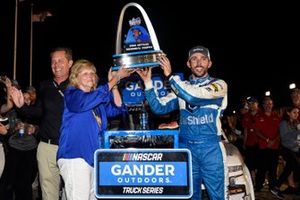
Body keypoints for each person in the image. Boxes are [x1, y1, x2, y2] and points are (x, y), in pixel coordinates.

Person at [137, 45, 228, 200]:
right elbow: (159, 108)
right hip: (186, 149)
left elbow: (193, 97)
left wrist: (170, 76)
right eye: (194, 59)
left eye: (203, 59)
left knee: (217, 197)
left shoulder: (219, 84)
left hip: (211, 149)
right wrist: (148, 83)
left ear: (209, 63)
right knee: (190, 195)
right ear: (188, 64)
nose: (199, 63)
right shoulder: (180, 88)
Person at [57, 59, 132, 199]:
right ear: (75, 77)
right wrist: (116, 78)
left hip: (93, 158)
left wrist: (114, 86)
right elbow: (85, 102)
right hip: (75, 156)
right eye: (85, 73)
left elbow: (118, 109)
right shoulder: (72, 94)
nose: (90, 76)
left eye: (92, 73)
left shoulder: (98, 102)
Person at [10, 47, 74, 200]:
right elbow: (38, 112)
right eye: (53, 61)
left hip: (71, 146)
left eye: (60, 61)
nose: (56, 65)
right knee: (48, 193)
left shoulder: (77, 85)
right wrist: (21, 107)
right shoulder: (45, 86)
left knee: (72, 192)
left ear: (70, 63)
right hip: (47, 147)